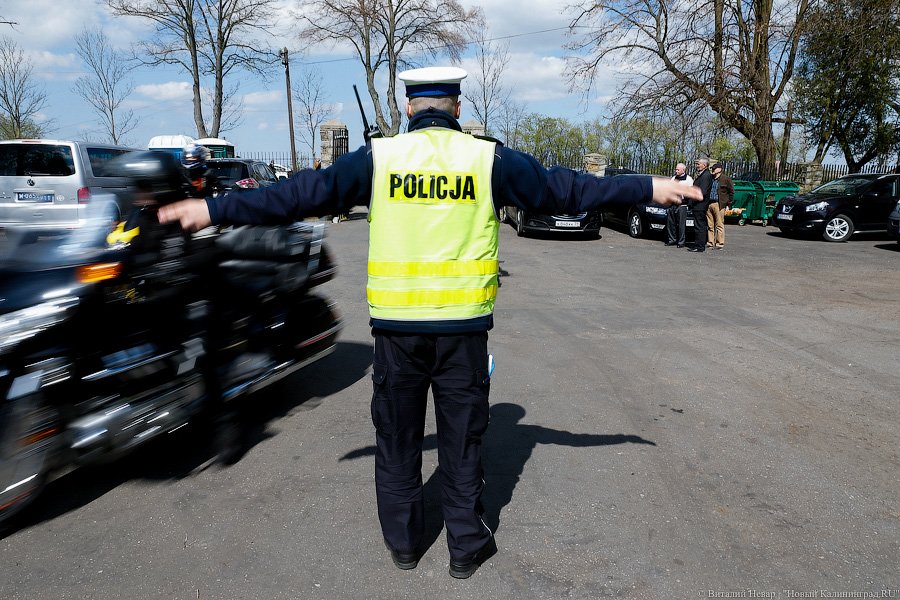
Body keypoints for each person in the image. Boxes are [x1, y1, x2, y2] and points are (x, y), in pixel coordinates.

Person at [158, 66, 702, 579]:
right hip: (463, 333)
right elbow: (569, 189)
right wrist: (649, 186)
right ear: (457, 106)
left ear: (408, 106)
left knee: (396, 442)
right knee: (462, 443)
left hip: (395, 335)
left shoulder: (380, 158)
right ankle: (465, 547)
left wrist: (211, 210)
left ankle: (404, 544)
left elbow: (296, 194)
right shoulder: (487, 159)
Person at [665, 162, 694, 247]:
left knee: (681, 225)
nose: (676, 171)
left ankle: (681, 242)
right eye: (676, 169)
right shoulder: (673, 178)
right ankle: (672, 239)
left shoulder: (688, 179)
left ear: (683, 170)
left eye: (678, 169)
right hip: (673, 204)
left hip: (682, 205)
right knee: (670, 223)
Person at [688, 157, 713, 252]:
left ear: (704, 165)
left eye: (699, 164)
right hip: (697, 205)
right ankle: (698, 244)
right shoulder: (702, 175)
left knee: (700, 226)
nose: (697, 166)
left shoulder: (706, 176)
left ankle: (700, 246)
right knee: (697, 226)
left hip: (700, 205)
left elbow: (703, 191)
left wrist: (693, 199)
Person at [707, 162, 734, 248]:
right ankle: (710, 242)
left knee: (719, 224)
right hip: (709, 203)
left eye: (714, 168)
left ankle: (719, 243)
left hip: (719, 204)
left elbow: (731, 192)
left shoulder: (726, 179)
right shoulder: (711, 178)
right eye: (712, 168)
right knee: (710, 225)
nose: (712, 170)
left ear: (719, 169)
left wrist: (728, 204)